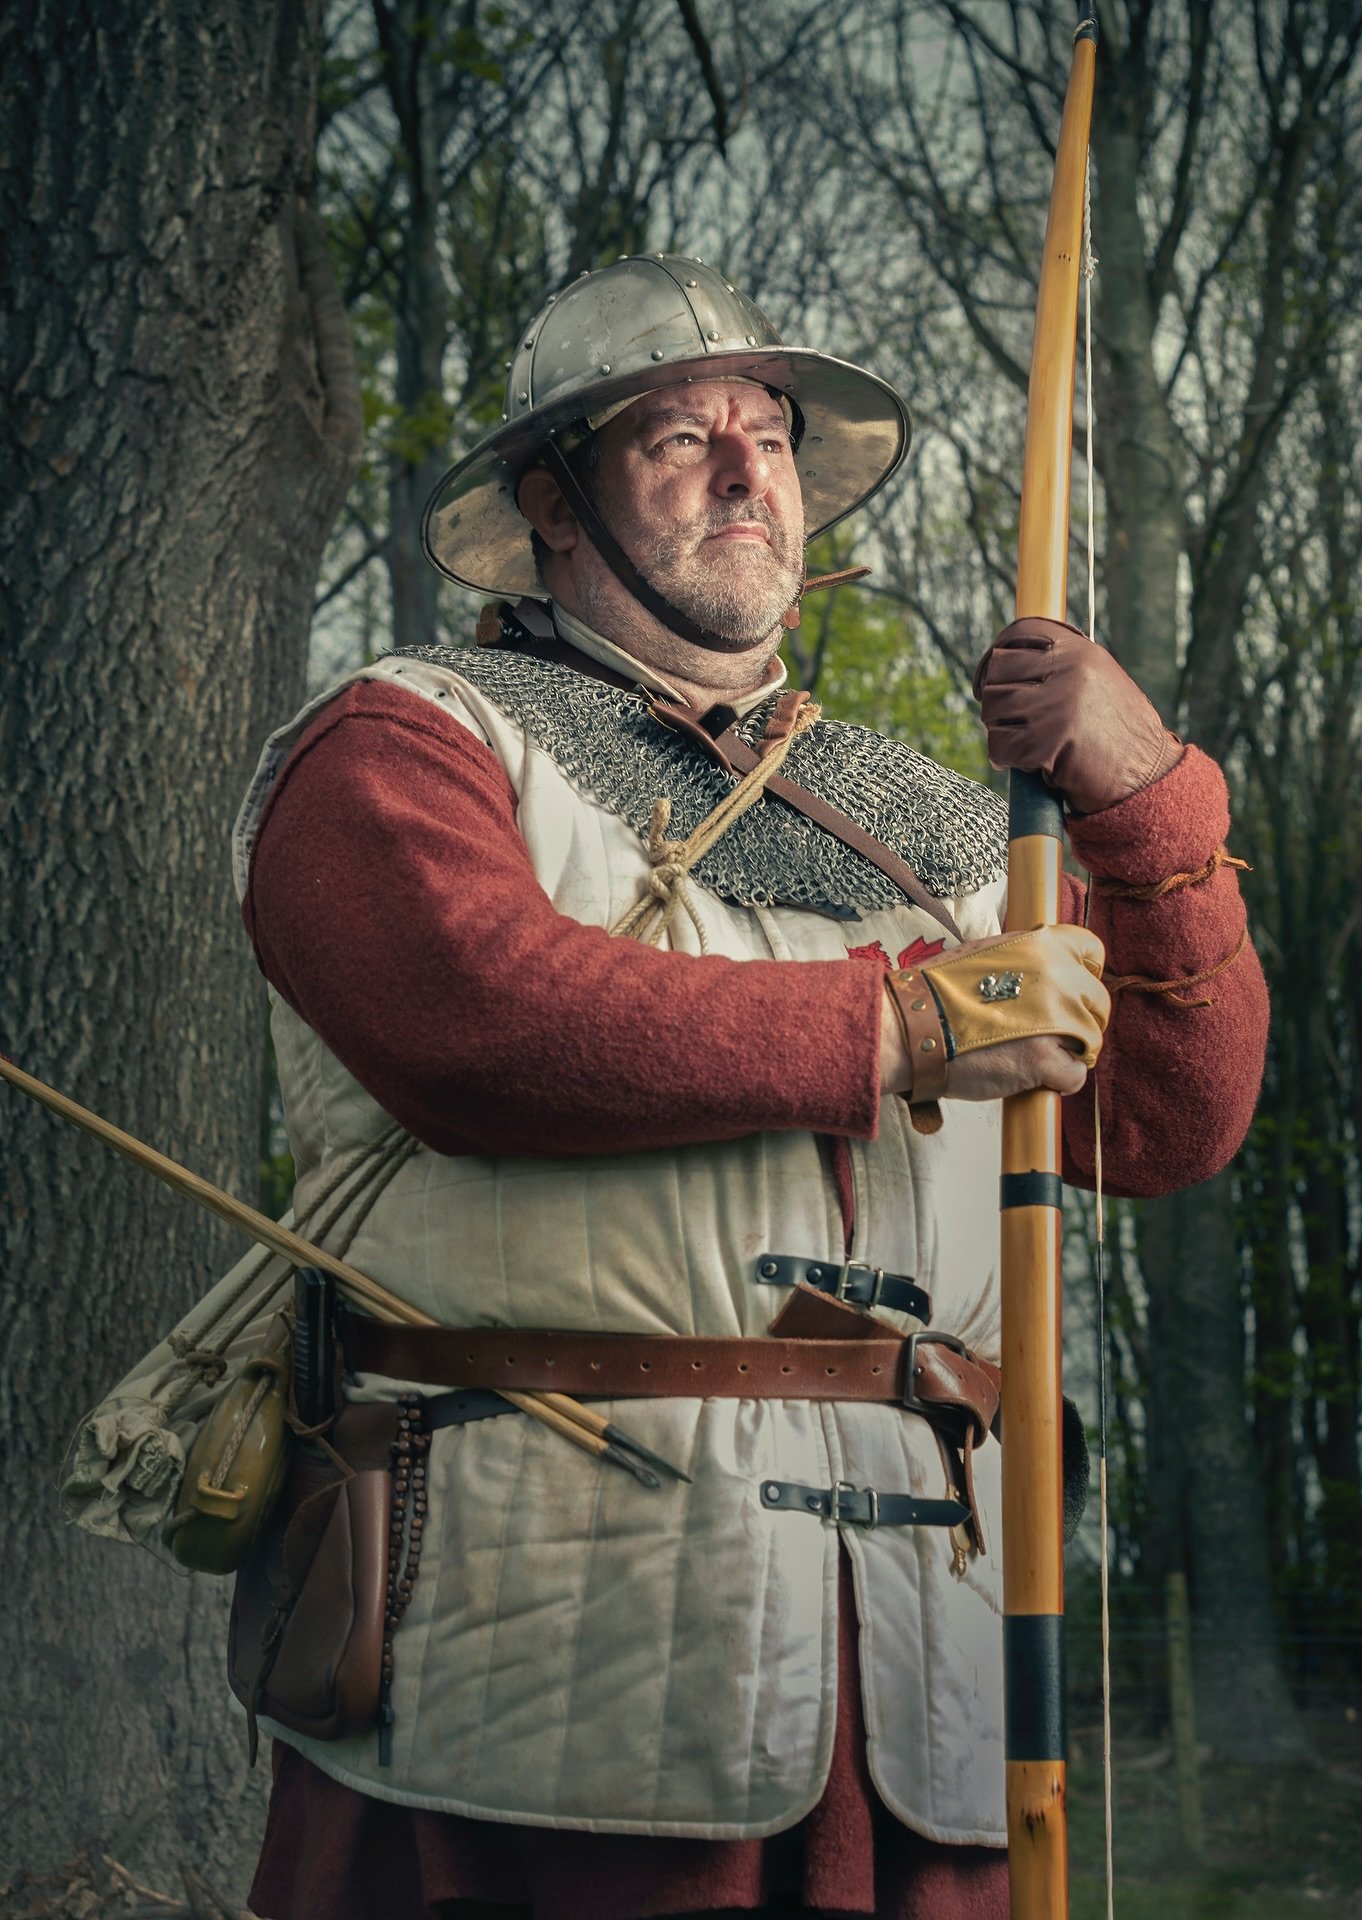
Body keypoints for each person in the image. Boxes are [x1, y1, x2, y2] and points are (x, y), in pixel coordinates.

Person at [234, 254, 1267, 1920]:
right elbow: (477, 1019)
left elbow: (1162, 1113)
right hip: (557, 1632)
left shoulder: (936, 822)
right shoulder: (405, 739)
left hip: (916, 1643)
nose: (743, 470)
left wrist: (1145, 795)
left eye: (769, 435)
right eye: (676, 435)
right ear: (552, 504)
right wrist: (903, 1035)